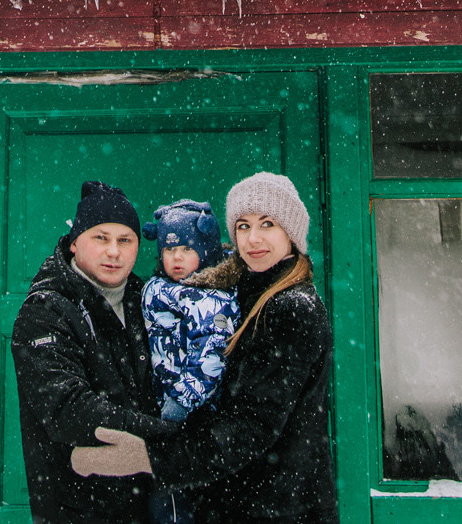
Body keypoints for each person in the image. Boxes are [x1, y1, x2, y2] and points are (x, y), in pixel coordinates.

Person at [70, 172, 338, 524]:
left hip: (279, 507)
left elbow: (252, 427)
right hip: (235, 501)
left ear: (292, 232)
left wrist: (149, 457)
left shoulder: (292, 308)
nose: (253, 238)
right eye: (242, 225)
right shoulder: (236, 291)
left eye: (268, 224)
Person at [12, 181, 172, 523]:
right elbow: (71, 411)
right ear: (74, 244)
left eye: (125, 240)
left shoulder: (149, 301)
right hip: (80, 510)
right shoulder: (46, 311)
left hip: (151, 507)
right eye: (101, 237)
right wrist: (173, 439)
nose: (113, 251)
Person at [141, 200, 235, 524]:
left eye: (185, 248)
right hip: (163, 416)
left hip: (193, 416)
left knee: (181, 499)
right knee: (164, 501)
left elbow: (212, 354)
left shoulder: (213, 299)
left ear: (206, 249)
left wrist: (181, 400)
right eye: (168, 250)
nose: (175, 257)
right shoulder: (160, 288)